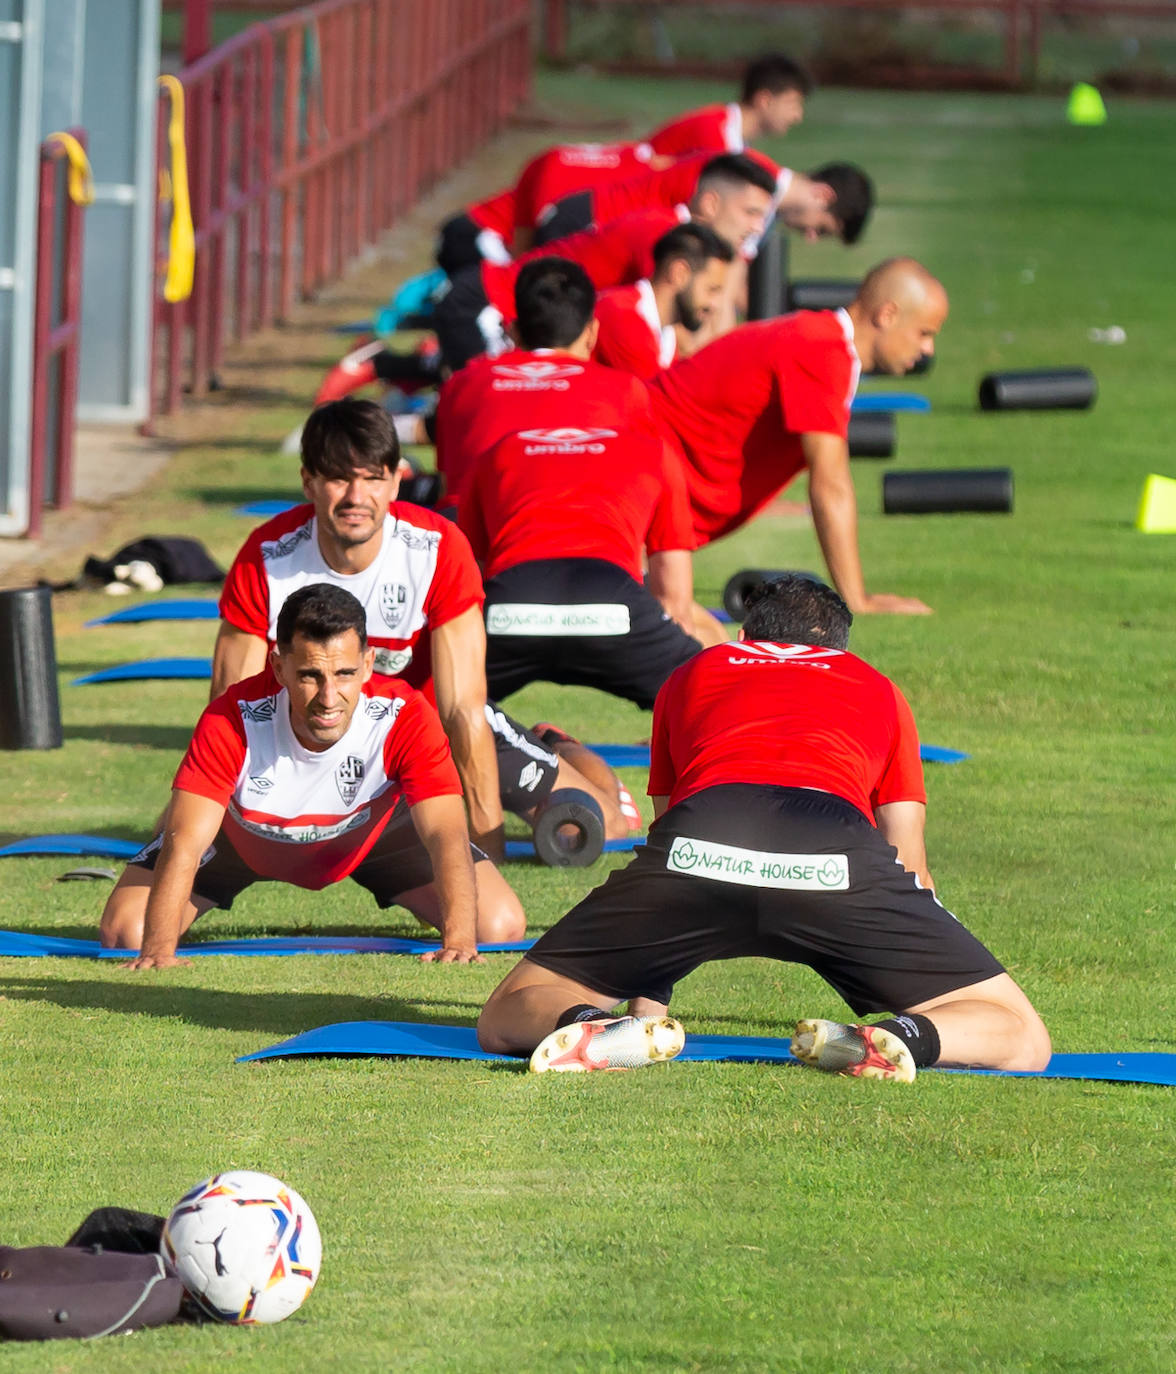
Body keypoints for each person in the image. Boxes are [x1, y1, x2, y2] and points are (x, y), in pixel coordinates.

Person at [477, 576, 1052, 1077]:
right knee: (1022, 1034)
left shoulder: (695, 671)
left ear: (747, 636)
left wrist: (646, 1004)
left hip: (703, 840)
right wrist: (923, 953)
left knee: (509, 1010)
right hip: (833, 851)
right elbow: (909, 862)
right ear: (841, 645)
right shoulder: (876, 686)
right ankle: (905, 1037)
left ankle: (591, 1029)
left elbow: (668, 834)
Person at [213, 399, 632, 850]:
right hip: (320, 728)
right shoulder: (268, 555)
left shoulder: (436, 550)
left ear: (396, 482)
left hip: (429, 729)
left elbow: (462, 710)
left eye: (373, 478)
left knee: (595, 828)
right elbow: (229, 704)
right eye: (339, 478)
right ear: (308, 482)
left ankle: (556, 745)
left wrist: (486, 849)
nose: (356, 498)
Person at [103, 584, 526, 968]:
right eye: (309, 675)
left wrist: (459, 943)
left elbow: (445, 834)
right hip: (241, 838)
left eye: (344, 674)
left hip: (372, 837)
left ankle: (423, 901)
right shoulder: (231, 717)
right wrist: (157, 954)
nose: (328, 698)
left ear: (367, 664)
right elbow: (186, 841)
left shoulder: (405, 714)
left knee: (498, 926)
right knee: (127, 933)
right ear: (279, 666)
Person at [456, 259, 701, 709]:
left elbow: (460, 535)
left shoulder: (469, 394)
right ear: (592, 333)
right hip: (610, 592)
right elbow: (676, 599)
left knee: (419, 707)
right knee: (711, 687)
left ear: (511, 330)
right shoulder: (635, 409)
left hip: (507, 591)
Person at [649, 256, 945, 617]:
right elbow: (830, 483)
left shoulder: (823, 343)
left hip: (645, 484)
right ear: (887, 315)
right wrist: (857, 601)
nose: (928, 350)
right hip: (630, 476)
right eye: (924, 333)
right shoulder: (822, 350)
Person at [433, 153, 780, 372]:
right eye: (749, 212)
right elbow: (687, 341)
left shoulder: (685, 244)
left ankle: (398, 377)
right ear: (710, 203)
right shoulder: (663, 235)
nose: (755, 227)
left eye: (761, 218)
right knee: (494, 422)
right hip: (488, 305)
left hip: (519, 320)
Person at [433, 257, 664, 515]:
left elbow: (449, 487)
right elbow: (645, 491)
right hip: (574, 535)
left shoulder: (460, 384)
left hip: (469, 537)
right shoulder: (625, 391)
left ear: (513, 331)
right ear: (592, 333)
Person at [591, 222, 735, 379]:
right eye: (711, 290)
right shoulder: (622, 315)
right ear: (679, 273)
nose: (715, 304)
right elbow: (656, 399)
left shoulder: (667, 339)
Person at [646, 53, 812, 158]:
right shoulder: (718, 135)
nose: (797, 116)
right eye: (793, 105)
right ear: (764, 100)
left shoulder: (729, 130)